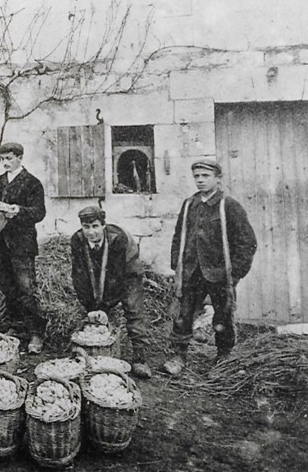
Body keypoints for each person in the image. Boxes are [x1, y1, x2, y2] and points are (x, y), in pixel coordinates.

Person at [161, 159, 257, 376]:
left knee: (223, 316)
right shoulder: (189, 205)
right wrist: (177, 266)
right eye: (197, 176)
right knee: (183, 314)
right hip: (191, 272)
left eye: (205, 176)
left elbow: (247, 242)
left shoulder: (228, 206)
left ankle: (223, 356)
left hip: (219, 274)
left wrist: (235, 274)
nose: (201, 180)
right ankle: (178, 355)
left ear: (217, 178)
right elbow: (178, 237)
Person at [70, 206, 152, 378]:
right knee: (93, 304)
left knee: (132, 306)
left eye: (95, 226)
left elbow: (117, 277)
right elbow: (80, 276)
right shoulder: (77, 240)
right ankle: (94, 351)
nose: (91, 232)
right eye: (86, 227)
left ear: (103, 225)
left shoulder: (118, 239)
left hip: (127, 269)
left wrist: (105, 307)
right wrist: (91, 306)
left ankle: (140, 356)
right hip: (100, 268)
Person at [0, 142, 47, 354]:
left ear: (20, 158)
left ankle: (36, 332)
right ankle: (17, 326)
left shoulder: (32, 183)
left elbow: (39, 212)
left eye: (9, 159)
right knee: (7, 287)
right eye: (3, 159)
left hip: (22, 244)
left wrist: (19, 210)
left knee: (26, 289)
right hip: (1, 244)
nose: (6, 163)